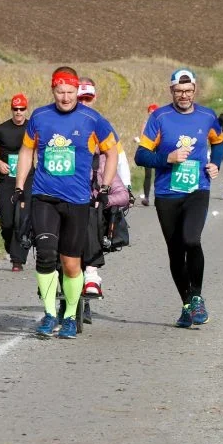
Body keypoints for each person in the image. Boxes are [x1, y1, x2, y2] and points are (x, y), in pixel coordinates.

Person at [15, 66, 119, 340]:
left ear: (77, 91)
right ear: (53, 90)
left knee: (72, 264)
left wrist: (105, 186)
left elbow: (112, 152)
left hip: (76, 200)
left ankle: (70, 316)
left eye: (70, 92)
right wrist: (19, 185)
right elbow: (27, 150)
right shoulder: (40, 116)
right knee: (46, 255)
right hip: (44, 197)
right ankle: (50, 315)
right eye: (60, 92)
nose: (65, 97)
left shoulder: (92, 119)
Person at [134, 69, 223, 328]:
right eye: (179, 91)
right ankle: (187, 305)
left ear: (195, 90)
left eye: (188, 91)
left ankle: (196, 298)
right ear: (171, 91)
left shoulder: (207, 116)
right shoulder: (159, 117)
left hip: (198, 190)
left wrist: (215, 164)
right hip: (166, 193)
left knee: (191, 240)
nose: (184, 95)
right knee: (175, 252)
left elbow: (218, 143)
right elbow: (140, 156)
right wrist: (168, 158)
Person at [75, 76, 130, 298]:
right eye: (81, 98)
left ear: (94, 98)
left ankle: (91, 275)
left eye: (88, 98)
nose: (84, 103)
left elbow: (119, 159)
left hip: (92, 202)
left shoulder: (102, 126)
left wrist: (107, 195)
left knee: (91, 212)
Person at [0, 93, 32, 271]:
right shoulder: (2, 129)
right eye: (15, 109)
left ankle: (17, 259)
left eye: (21, 109)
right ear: (11, 109)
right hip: (6, 179)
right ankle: (10, 244)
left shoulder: (32, 128)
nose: (18, 112)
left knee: (23, 218)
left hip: (28, 178)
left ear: (26, 109)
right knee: (7, 221)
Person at [139, 103, 159, 206]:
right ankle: (146, 197)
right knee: (148, 175)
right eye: (150, 112)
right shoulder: (146, 123)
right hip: (148, 150)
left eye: (153, 112)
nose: (151, 114)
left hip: (158, 150)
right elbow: (142, 137)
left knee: (158, 173)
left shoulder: (160, 123)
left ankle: (158, 197)